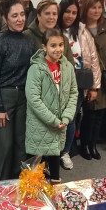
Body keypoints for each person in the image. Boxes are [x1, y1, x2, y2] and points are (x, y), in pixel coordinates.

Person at [0, 0, 37, 180]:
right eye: (14, 15)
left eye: (22, 15)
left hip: (24, 98)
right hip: (4, 98)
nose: (20, 19)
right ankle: (0, 183)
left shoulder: (29, 42)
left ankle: (19, 182)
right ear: (5, 18)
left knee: (20, 142)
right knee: (5, 144)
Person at [25, 28, 78, 183]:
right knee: (35, 167)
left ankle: (55, 188)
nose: (58, 49)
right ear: (44, 47)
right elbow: (33, 99)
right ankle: (33, 194)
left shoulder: (67, 67)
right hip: (41, 124)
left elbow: (74, 93)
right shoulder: (36, 68)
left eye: (61, 45)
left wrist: (66, 117)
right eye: (53, 45)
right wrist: (54, 120)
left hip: (60, 123)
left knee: (55, 159)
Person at [58, 0, 99, 170]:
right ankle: (52, 151)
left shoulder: (82, 31)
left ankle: (65, 152)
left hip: (78, 83)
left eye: (74, 12)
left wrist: (94, 86)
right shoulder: (54, 28)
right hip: (57, 83)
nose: (70, 15)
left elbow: (94, 59)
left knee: (70, 118)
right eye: (67, 11)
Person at [79, 0, 106, 160]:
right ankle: (84, 145)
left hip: (104, 77)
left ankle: (93, 145)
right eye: (92, 7)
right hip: (87, 77)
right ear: (86, 8)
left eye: (98, 7)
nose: (96, 11)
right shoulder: (80, 27)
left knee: (100, 114)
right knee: (88, 114)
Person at [23, 0, 75, 65]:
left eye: (54, 14)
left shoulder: (63, 39)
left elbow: (71, 66)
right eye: (47, 13)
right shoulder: (26, 36)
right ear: (38, 16)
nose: (51, 17)